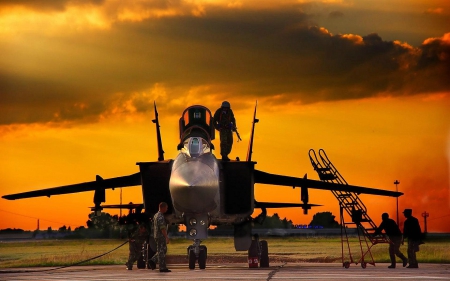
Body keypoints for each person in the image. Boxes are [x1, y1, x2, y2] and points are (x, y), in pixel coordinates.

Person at [149, 202, 171, 272]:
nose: (167, 209)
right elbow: (162, 228)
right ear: (163, 207)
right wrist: (166, 237)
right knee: (162, 251)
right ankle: (162, 267)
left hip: (156, 235)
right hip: (160, 236)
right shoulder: (160, 216)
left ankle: (153, 260)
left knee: (162, 250)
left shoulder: (156, 215)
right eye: (166, 208)